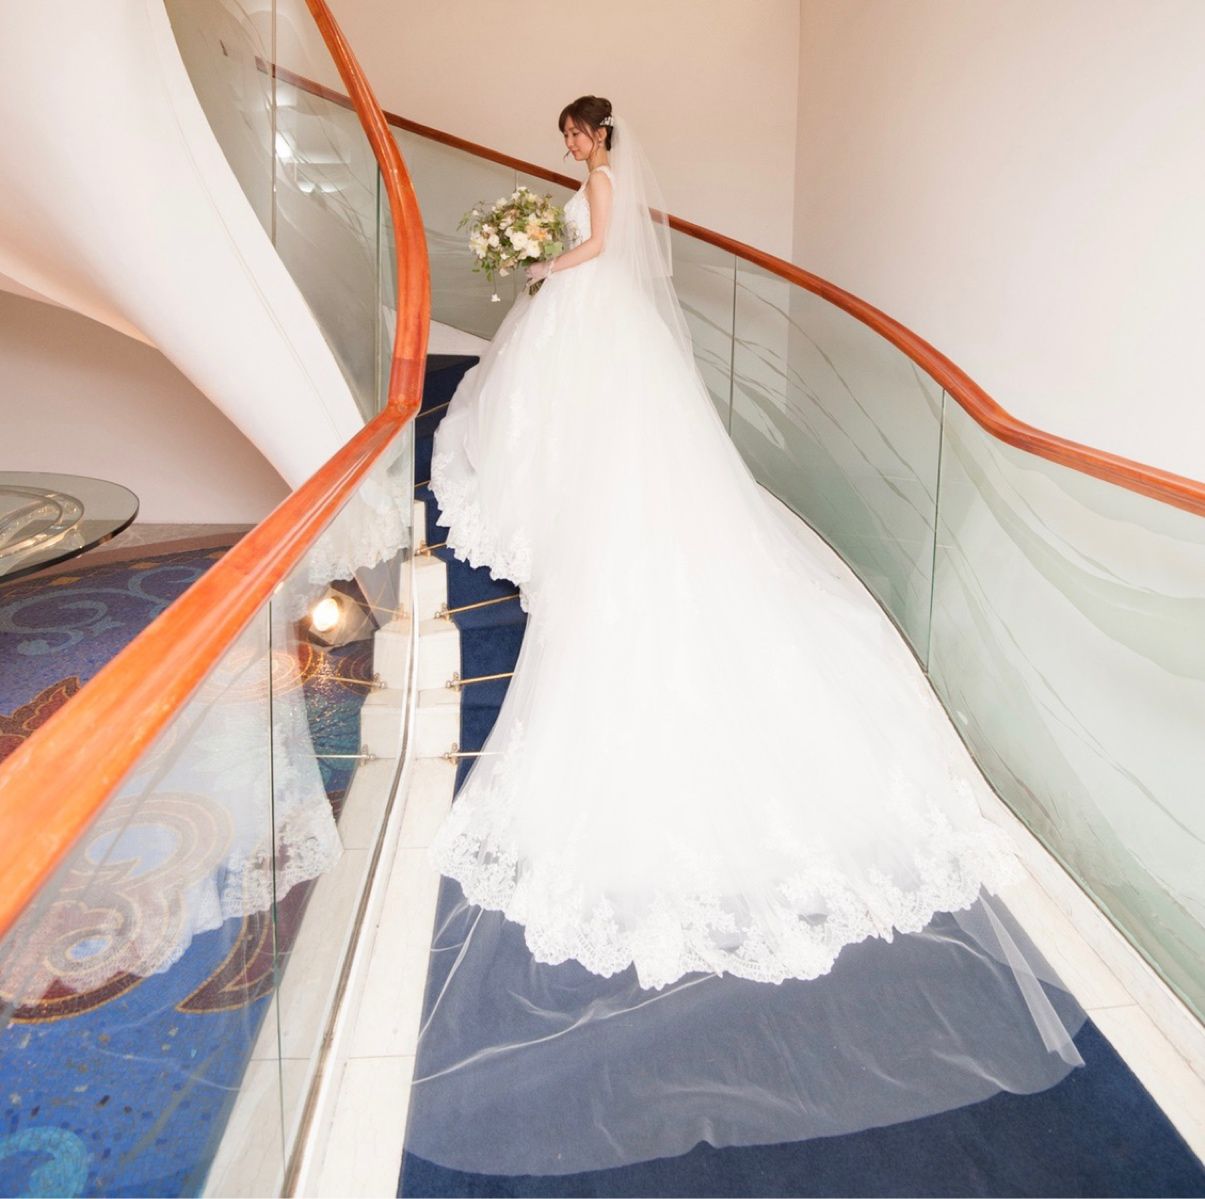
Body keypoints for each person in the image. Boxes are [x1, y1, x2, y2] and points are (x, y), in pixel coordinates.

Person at [410, 95, 1087, 1178]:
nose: (569, 147)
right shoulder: (599, 184)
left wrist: (543, 264)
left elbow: (597, 247)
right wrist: (544, 262)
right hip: (598, 324)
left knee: (602, 436)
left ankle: (592, 516)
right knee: (586, 430)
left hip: (593, 317)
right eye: (567, 138)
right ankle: (579, 509)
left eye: (574, 134)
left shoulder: (602, 185)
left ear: (595, 136)